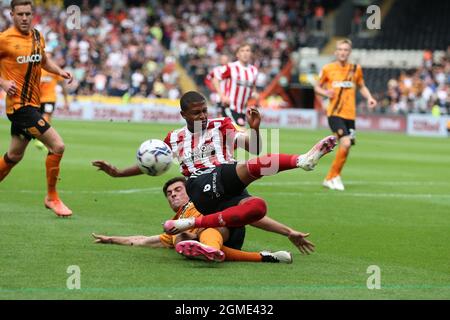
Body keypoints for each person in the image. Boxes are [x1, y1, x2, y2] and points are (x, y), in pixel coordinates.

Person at [93, 91, 337, 239]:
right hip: (200, 186)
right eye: (196, 113)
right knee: (245, 168)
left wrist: (254, 129)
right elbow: (151, 164)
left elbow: (252, 146)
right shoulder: (174, 138)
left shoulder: (221, 125)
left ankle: (191, 225)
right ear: (184, 115)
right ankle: (302, 161)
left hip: (227, 187)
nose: (202, 116)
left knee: (256, 208)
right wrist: (118, 173)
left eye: (204, 111)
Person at [92, 177, 314, 263]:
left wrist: (288, 232)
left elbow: (251, 216)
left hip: (228, 231)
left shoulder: (206, 202)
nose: (173, 195)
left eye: (177, 190)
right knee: (180, 236)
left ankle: (206, 248)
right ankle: (265, 257)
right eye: (169, 194)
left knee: (208, 227)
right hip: (204, 239)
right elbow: (142, 240)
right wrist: (111, 239)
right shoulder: (177, 220)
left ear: (189, 190)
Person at [0, 0, 73, 217]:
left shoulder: (37, 36)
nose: (24, 18)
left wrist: (60, 71)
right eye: (20, 14)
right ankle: (52, 197)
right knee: (58, 146)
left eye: (28, 14)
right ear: (12, 14)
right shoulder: (4, 39)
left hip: (34, 104)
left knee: (14, 155)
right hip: (20, 108)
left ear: (33, 14)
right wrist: (2, 82)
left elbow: (44, 61)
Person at [314, 39, 377, 191]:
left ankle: (332, 177)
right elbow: (317, 87)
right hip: (335, 113)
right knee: (346, 142)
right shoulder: (328, 68)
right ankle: (332, 177)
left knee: (346, 147)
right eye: (340, 49)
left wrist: (369, 98)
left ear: (349, 52)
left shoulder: (356, 69)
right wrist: (325, 92)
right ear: (336, 52)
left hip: (350, 115)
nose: (342, 52)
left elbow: (361, 86)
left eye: (346, 50)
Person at [212, 43, 259, 127]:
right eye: (242, 51)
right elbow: (215, 79)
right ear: (237, 54)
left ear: (251, 54)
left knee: (235, 137)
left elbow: (253, 88)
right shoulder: (231, 67)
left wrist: (255, 94)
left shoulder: (253, 70)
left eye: (247, 51)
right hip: (229, 107)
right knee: (237, 134)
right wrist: (222, 96)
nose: (245, 53)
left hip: (243, 110)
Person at [34, 49, 70, 150]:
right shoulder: (37, 69)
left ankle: (41, 139)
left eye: (50, 57)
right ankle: (41, 137)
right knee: (41, 118)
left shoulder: (53, 70)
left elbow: (63, 85)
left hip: (49, 98)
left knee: (47, 116)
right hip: (36, 99)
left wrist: (66, 100)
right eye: (47, 56)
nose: (48, 58)